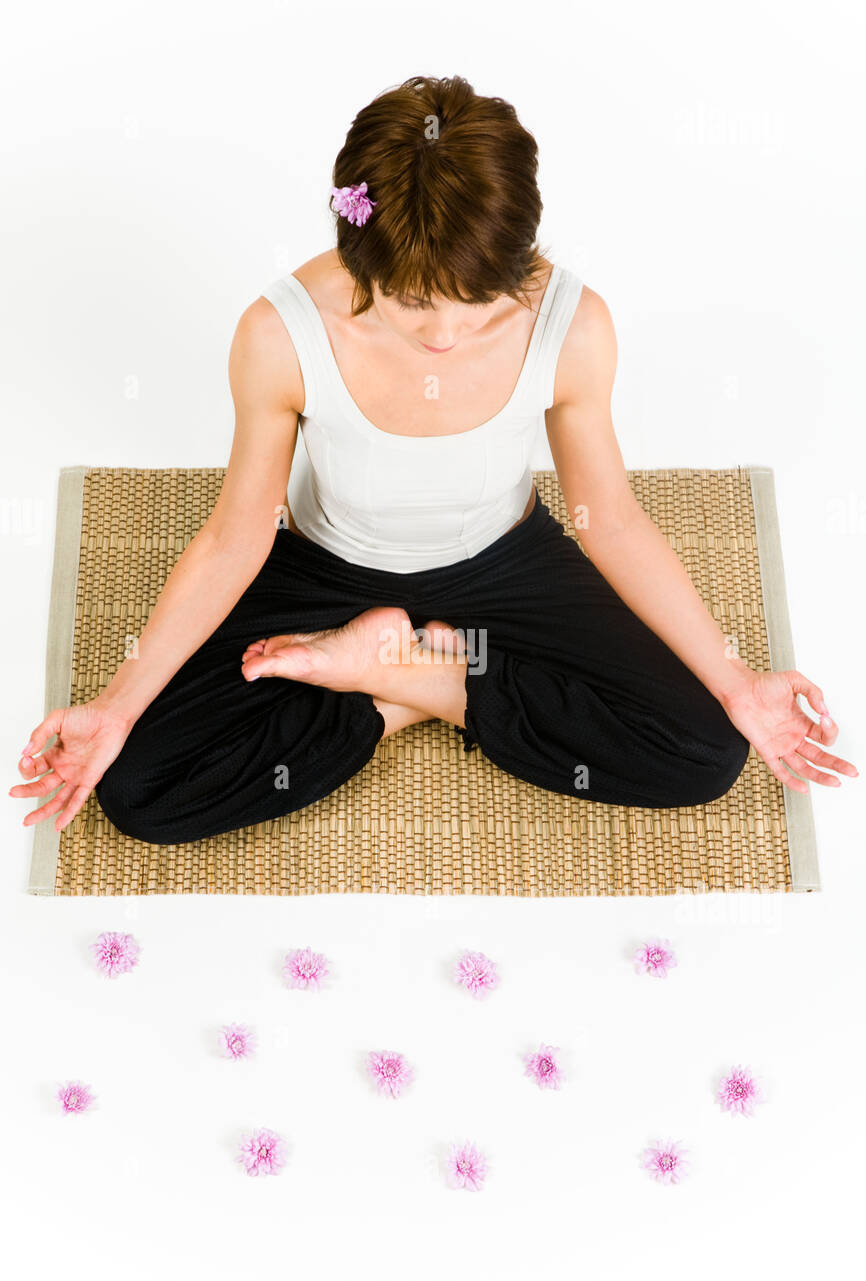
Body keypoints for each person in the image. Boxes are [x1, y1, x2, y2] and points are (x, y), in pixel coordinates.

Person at [9, 75, 856, 845]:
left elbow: (614, 522)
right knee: (141, 784)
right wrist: (116, 708)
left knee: (705, 749)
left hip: (503, 563)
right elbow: (236, 537)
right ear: (358, 252)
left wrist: (739, 680)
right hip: (324, 566)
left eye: (480, 307)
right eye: (415, 304)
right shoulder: (281, 334)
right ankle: (399, 677)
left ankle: (403, 677)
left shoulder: (574, 323)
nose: (445, 337)